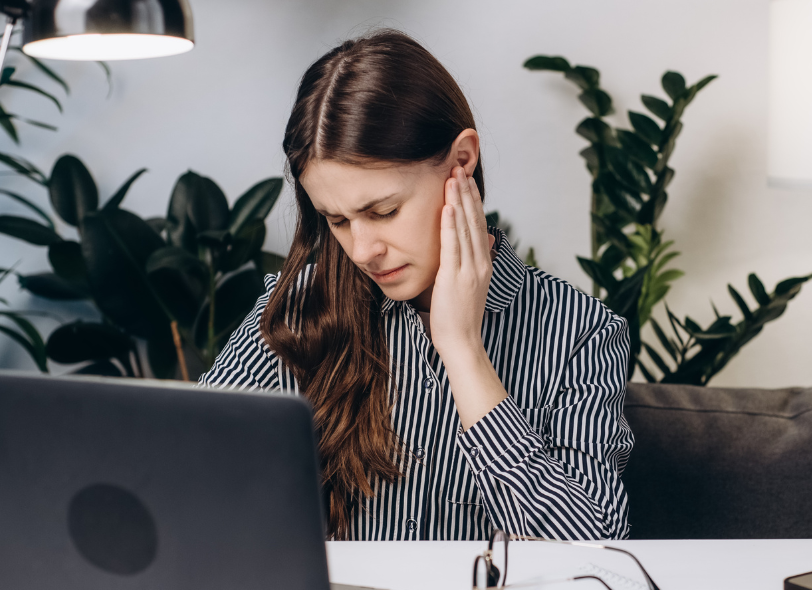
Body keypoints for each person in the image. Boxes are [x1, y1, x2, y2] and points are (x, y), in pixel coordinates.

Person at [200, 29, 633, 542]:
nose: (361, 251)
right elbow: (181, 471)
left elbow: (591, 547)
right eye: (336, 220)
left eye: (382, 211)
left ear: (462, 161)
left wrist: (463, 351)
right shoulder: (296, 308)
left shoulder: (582, 332)